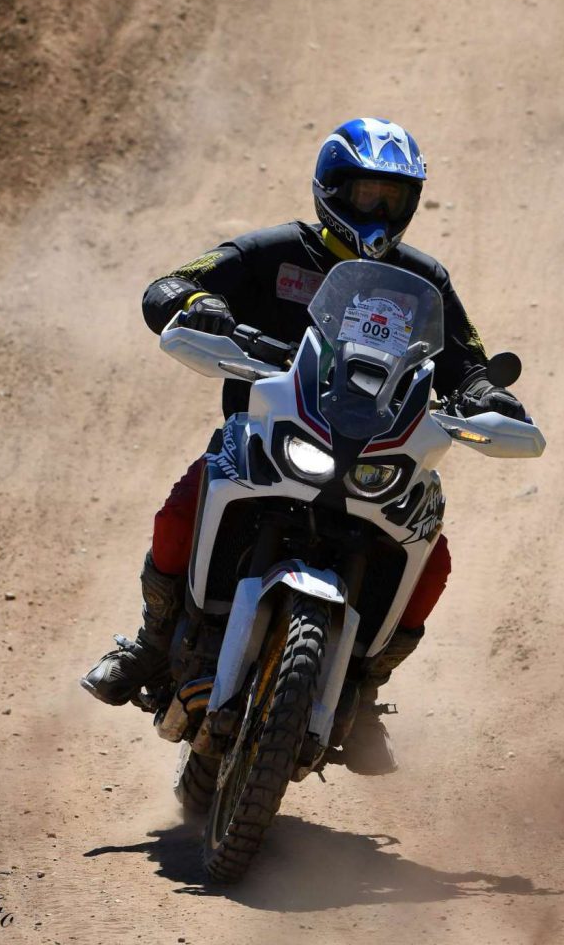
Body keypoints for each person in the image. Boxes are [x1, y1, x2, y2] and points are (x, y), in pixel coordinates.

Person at [80, 117, 527, 775]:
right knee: (182, 508)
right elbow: (170, 285)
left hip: (379, 457)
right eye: (367, 194)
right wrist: (197, 301)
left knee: (431, 558)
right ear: (332, 189)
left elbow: (468, 359)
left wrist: (486, 391)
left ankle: (365, 687)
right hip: (269, 437)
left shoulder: (423, 281)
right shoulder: (274, 252)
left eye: (394, 198)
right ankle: (150, 643)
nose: (378, 212)